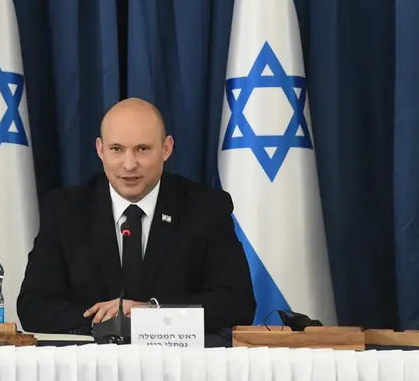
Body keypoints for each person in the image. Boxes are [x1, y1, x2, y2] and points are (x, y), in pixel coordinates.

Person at [17, 98, 255, 335]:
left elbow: (237, 303)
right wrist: (106, 321)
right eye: (117, 149)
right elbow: (33, 305)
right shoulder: (65, 210)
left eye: (142, 149)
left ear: (166, 149)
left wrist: (153, 314)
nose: (129, 165)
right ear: (100, 149)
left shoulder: (206, 208)